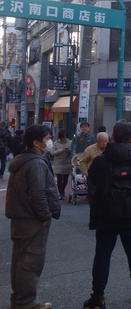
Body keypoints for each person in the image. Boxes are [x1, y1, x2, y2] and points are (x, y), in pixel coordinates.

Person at [84, 120, 131, 309]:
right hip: (130, 213)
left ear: (112, 136)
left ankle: (98, 297)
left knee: (102, 255)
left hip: (105, 215)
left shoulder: (101, 160)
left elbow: (92, 180)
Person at [5, 124, 61, 309]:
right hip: (31, 220)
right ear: (36, 143)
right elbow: (37, 194)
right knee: (30, 262)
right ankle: (26, 302)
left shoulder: (24, 159)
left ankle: (22, 300)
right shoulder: (36, 163)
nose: (50, 141)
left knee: (21, 261)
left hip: (21, 217)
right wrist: (45, 216)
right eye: (47, 139)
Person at [50, 130, 73, 200]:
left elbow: (73, 151)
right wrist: (61, 150)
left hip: (67, 162)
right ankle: (61, 192)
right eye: (63, 137)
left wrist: (69, 150)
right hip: (58, 163)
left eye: (65, 137)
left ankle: (63, 190)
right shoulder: (56, 143)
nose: (64, 139)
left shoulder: (70, 142)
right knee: (59, 178)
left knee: (65, 178)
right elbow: (52, 153)